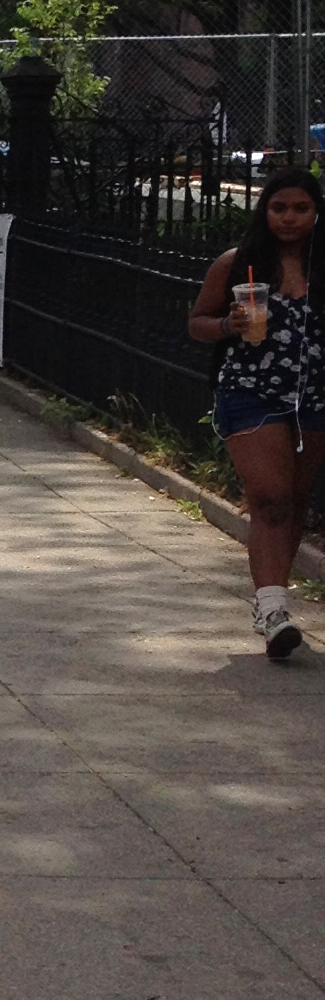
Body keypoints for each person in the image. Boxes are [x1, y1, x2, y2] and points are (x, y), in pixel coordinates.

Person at [188, 163, 325, 658]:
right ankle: (271, 612)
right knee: (269, 496)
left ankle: (276, 602)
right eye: (279, 207)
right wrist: (229, 322)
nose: (289, 218)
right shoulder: (237, 264)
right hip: (250, 392)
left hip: (313, 397)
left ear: (316, 213)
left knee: (294, 499)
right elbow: (198, 322)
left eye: (301, 209)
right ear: (264, 211)